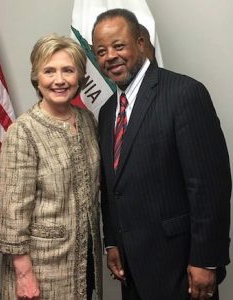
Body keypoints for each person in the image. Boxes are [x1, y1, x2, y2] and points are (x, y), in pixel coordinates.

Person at [92, 8, 231, 300]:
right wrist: (112, 242)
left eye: (119, 46)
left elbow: (210, 186)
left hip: (179, 266)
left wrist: (206, 259)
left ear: (141, 42)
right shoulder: (106, 113)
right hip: (131, 268)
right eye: (101, 51)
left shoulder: (184, 94)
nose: (110, 57)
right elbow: (112, 187)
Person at [0, 34, 102, 300]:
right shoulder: (24, 131)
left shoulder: (87, 121)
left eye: (68, 70)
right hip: (41, 267)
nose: (59, 80)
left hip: (86, 257)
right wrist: (24, 275)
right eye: (49, 71)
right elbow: (12, 213)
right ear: (37, 78)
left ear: (80, 77)